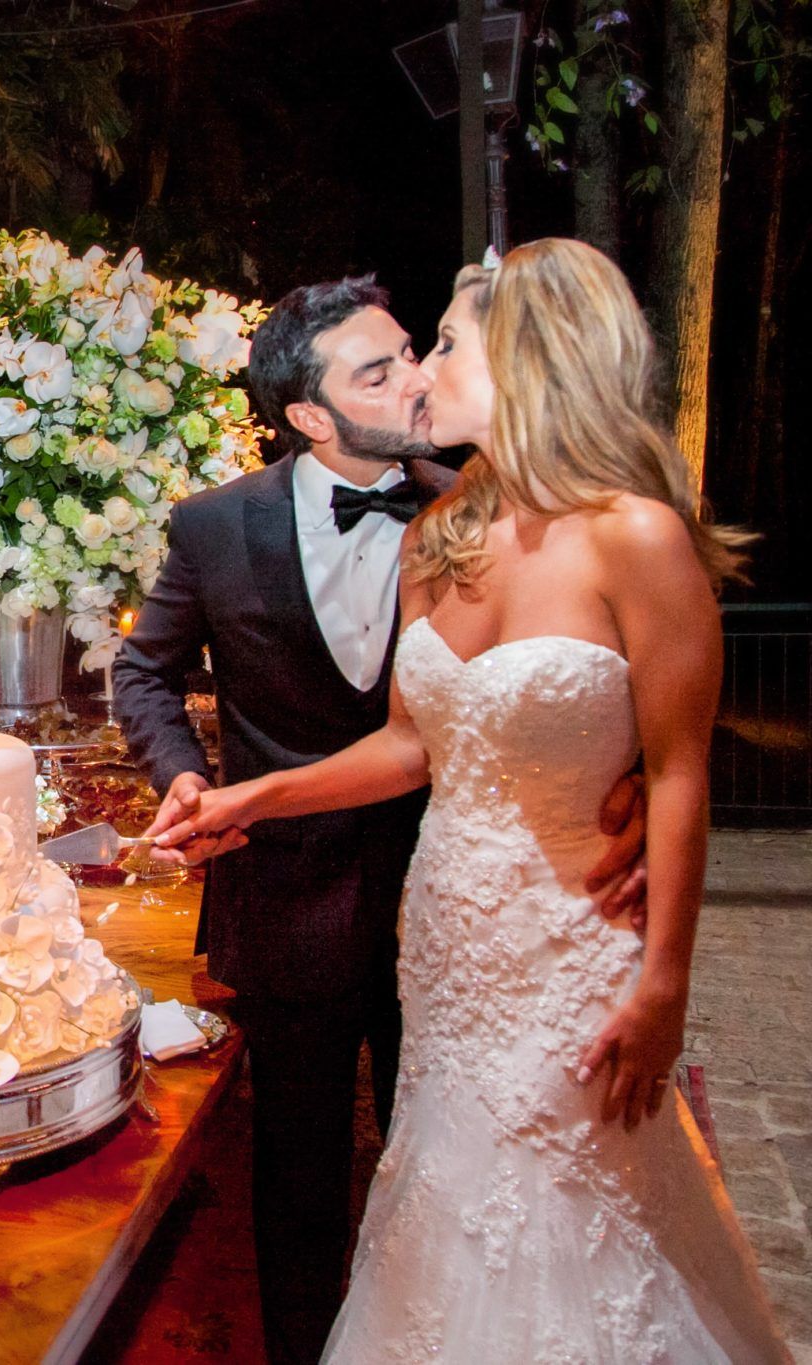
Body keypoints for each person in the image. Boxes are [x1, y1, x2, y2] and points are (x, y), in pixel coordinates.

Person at [153, 238, 789, 1362]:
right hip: (444, 948)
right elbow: (409, 746)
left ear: (528, 360)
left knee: (569, 1235)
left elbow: (681, 769)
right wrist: (245, 797)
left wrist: (664, 987)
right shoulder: (439, 538)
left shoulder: (636, 536)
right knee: (441, 1226)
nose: (421, 372)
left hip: (571, 948)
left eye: (441, 346)